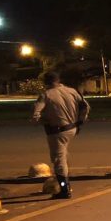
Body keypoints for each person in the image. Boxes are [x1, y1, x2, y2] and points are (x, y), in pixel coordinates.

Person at [31, 71, 90, 199]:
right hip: (72, 128)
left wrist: (42, 121)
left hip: (57, 131)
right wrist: (80, 121)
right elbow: (85, 106)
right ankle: (66, 184)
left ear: (46, 82)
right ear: (58, 80)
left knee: (59, 161)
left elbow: (35, 116)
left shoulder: (46, 95)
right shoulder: (71, 91)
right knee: (64, 156)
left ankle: (64, 189)